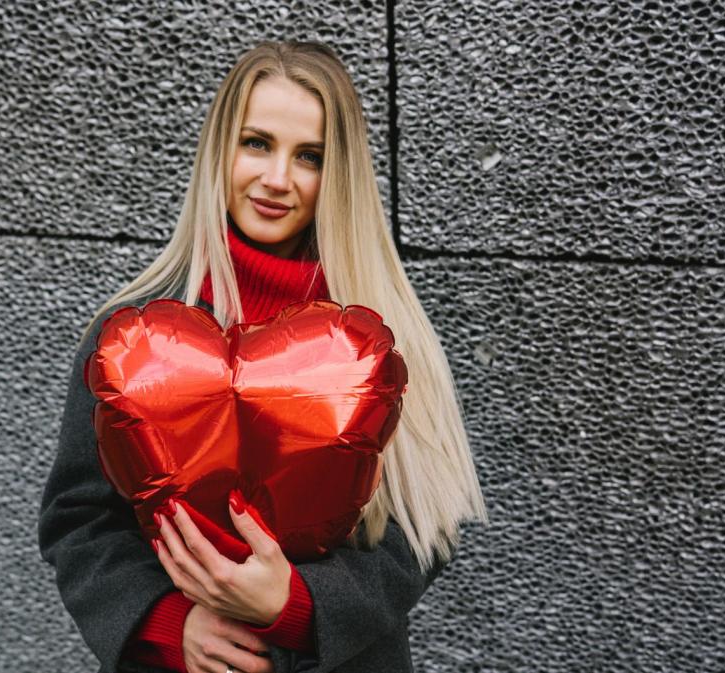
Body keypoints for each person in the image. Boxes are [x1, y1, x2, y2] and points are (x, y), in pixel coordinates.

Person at [37, 40, 488, 673]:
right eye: (256, 143)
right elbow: (77, 521)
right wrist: (169, 623)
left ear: (340, 174)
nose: (278, 178)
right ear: (220, 149)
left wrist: (300, 605)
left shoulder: (378, 332)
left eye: (309, 156)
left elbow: (424, 524)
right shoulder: (130, 335)